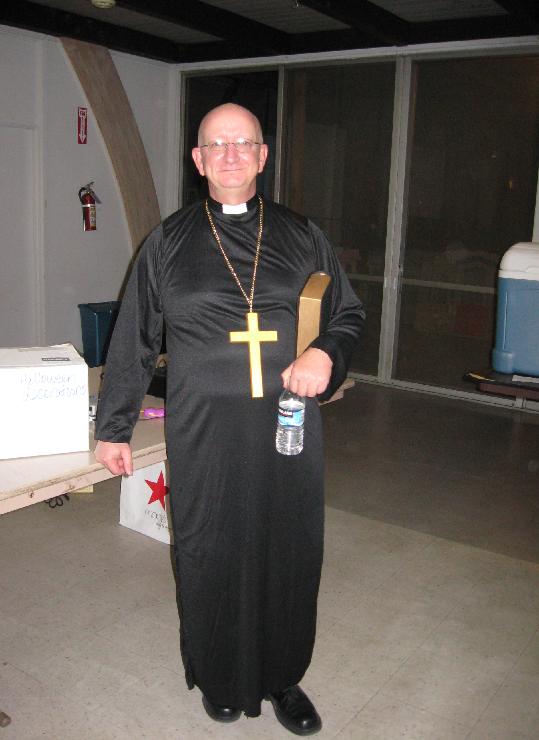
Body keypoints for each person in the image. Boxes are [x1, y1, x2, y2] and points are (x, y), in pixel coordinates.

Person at [94, 103, 365, 735]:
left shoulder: (303, 235)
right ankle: (218, 674)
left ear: (263, 155)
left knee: (287, 549)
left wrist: (326, 352)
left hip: (286, 429)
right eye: (217, 144)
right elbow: (134, 335)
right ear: (199, 160)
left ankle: (282, 677)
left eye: (244, 143)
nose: (232, 154)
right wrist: (113, 427)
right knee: (209, 548)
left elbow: (347, 313)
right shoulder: (168, 241)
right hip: (204, 432)